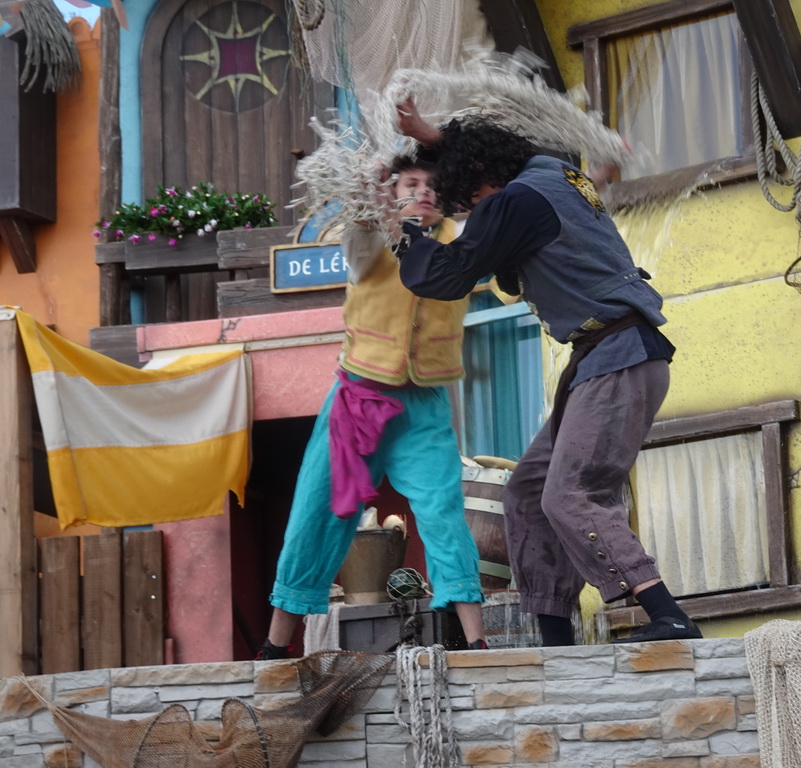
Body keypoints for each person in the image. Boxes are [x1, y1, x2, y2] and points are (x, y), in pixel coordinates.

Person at [394, 107, 702, 646]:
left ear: (479, 179)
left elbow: (446, 275)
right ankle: (555, 636)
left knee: (571, 494)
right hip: (611, 356)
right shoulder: (553, 173)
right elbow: (488, 149)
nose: (468, 212)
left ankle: (668, 614)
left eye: (467, 201)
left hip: (619, 357)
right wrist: (433, 136)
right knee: (528, 491)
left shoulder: (514, 201)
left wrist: (404, 237)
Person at [258, 156, 486, 660]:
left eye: (431, 184)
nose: (422, 192)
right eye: (411, 183)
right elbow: (361, 251)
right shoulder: (369, 236)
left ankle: (475, 639)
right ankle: (276, 644)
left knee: (444, 513)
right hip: (360, 396)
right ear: (393, 191)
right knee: (317, 510)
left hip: (424, 402)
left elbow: (508, 220)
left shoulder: (464, 239)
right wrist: (371, 200)